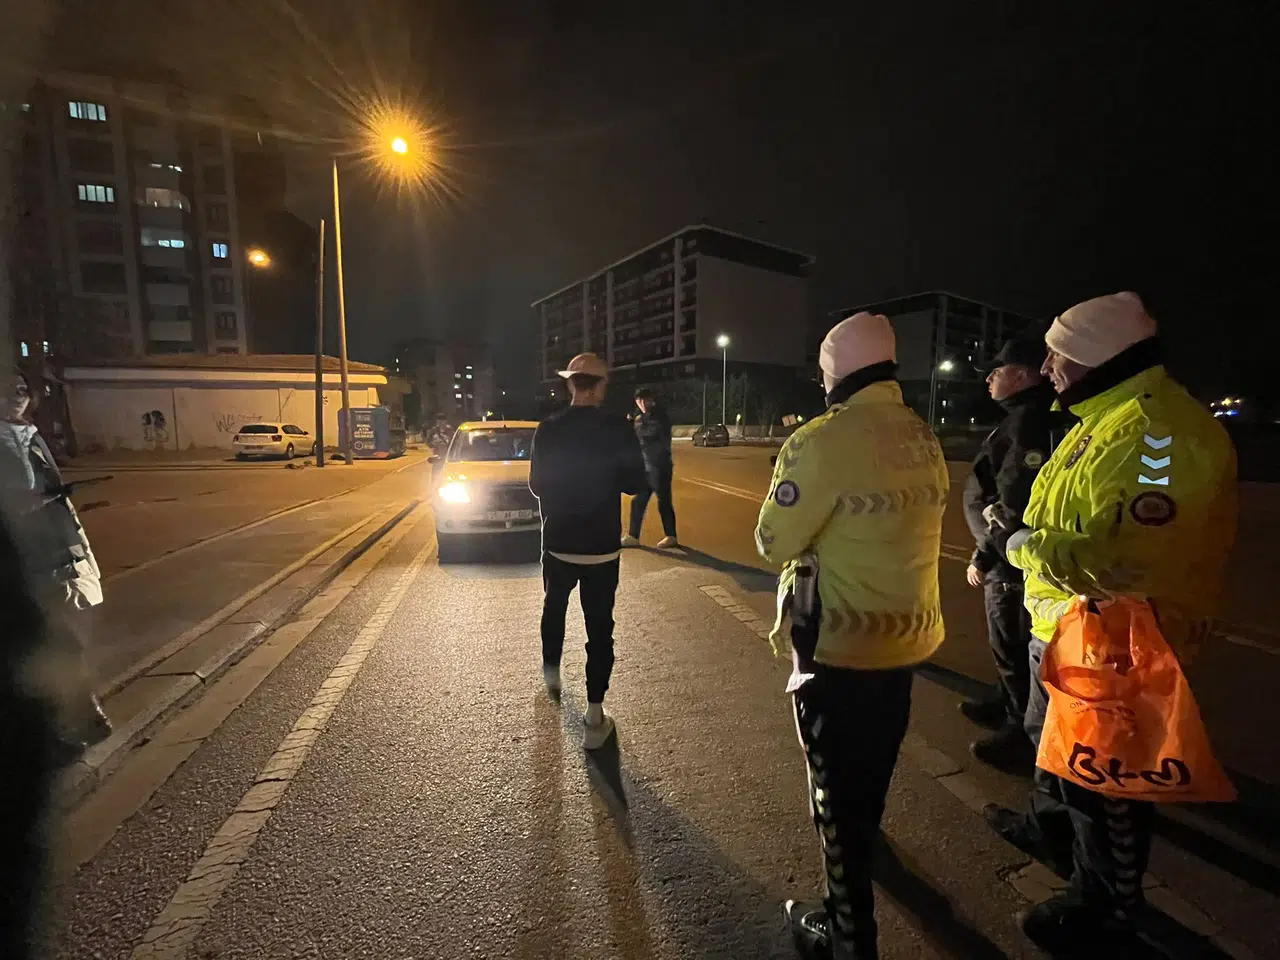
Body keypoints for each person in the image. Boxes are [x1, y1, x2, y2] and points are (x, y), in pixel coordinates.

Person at [982, 293, 1237, 953]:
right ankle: (1052, 831)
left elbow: (1123, 560)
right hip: (1069, 624)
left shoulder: (1158, 434)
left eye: (1058, 352)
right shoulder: (1104, 416)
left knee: (1106, 780)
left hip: (1123, 635)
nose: (1045, 366)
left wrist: (1017, 547)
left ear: (1098, 355)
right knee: (1055, 748)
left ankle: (1111, 904)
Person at [756, 313, 948, 960]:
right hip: (907, 638)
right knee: (875, 765)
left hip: (837, 645)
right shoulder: (923, 433)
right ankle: (868, 849)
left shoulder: (821, 441)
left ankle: (847, 936)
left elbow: (771, 539)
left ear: (833, 371)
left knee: (832, 796)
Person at [529, 353, 646, 750]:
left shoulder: (548, 429)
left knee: (553, 608)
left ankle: (551, 674)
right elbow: (635, 483)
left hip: (559, 542)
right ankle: (595, 718)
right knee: (600, 630)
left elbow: (536, 486)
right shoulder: (617, 428)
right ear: (597, 387)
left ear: (571, 385)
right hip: (601, 548)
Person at [959, 337, 1063, 771]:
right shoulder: (1020, 417)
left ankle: (1023, 734)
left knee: (1012, 646)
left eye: (998, 371)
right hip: (1006, 553)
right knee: (1008, 647)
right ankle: (1007, 706)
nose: (989, 378)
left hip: (1008, 561)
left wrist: (984, 556)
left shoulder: (1028, 422)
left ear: (1023, 375)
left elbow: (1011, 499)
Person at [2, 368, 110, 753]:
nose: (15, 397)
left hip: (52, 552)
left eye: (20, 389)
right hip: (15, 560)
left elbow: (54, 492)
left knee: (63, 640)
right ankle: (65, 724)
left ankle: (80, 715)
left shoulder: (30, 435)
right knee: (39, 646)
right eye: (7, 390)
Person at [623, 387, 678, 549]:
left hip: (660, 466)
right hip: (647, 467)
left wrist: (634, 425)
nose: (644, 403)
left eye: (647, 400)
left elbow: (648, 434)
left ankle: (671, 536)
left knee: (663, 501)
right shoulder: (640, 418)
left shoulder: (659, 416)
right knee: (638, 501)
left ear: (652, 400)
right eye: (640, 401)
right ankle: (633, 536)